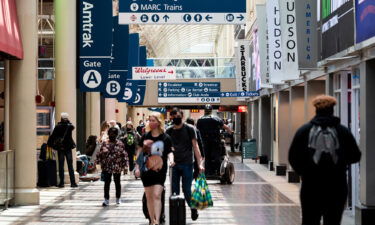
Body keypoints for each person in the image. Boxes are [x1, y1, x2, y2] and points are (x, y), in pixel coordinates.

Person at [288, 95, 361, 225]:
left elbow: (293, 157)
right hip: (337, 185)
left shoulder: (304, 131)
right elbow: (355, 155)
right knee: (333, 220)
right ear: (333, 109)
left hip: (311, 186)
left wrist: (304, 172)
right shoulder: (342, 131)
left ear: (315, 109)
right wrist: (340, 164)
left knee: (310, 220)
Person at [135, 112, 174, 225]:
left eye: (153, 120)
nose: (151, 122)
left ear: (159, 122)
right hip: (146, 171)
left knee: (157, 194)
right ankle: (152, 220)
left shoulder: (166, 138)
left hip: (160, 170)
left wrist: (171, 160)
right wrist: (137, 167)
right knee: (149, 196)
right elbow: (139, 152)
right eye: (150, 120)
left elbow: (170, 152)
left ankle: (157, 220)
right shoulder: (145, 136)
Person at [166, 108, 204, 221]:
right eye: (173, 116)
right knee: (174, 191)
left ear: (182, 116)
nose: (175, 118)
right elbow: (167, 149)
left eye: (177, 116)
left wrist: (200, 164)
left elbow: (195, 147)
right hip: (174, 165)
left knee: (186, 189)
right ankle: (177, 215)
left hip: (187, 164)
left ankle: (193, 208)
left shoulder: (190, 129)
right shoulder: (168, 131)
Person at [196, 104, 232, 176]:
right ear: (211, 110)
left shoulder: (200, 120)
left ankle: (208, 172)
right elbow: (225, 126)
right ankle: (217, 171)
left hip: (204, 141)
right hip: (215, 141)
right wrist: (230, 131)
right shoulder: (216, 118)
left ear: (205, 111)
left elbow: (197, 129)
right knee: (216, 156)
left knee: (206, 156)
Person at [96, 127, 128, 206]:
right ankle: (106, 199)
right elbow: (99, 154)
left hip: (117, 166)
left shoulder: (120, 144)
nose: (112, 135)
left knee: (117, 182)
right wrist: (100, 160)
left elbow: (124, 155)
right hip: (107, 166)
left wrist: (125, 166)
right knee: (107, 183)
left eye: (113, 134)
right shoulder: (104, 143)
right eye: (110, 133)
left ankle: (118, 198)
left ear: (116, 135)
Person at [47, 112, 77, 188]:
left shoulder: (58, 126)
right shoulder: (70, 126)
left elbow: (53, 136)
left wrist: (49, 144)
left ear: (61, 118)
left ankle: (62, 183)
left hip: (61, 148)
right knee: (70, 165)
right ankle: (73, 183)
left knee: (61, 165)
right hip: (68, 148)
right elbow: (72, 126)